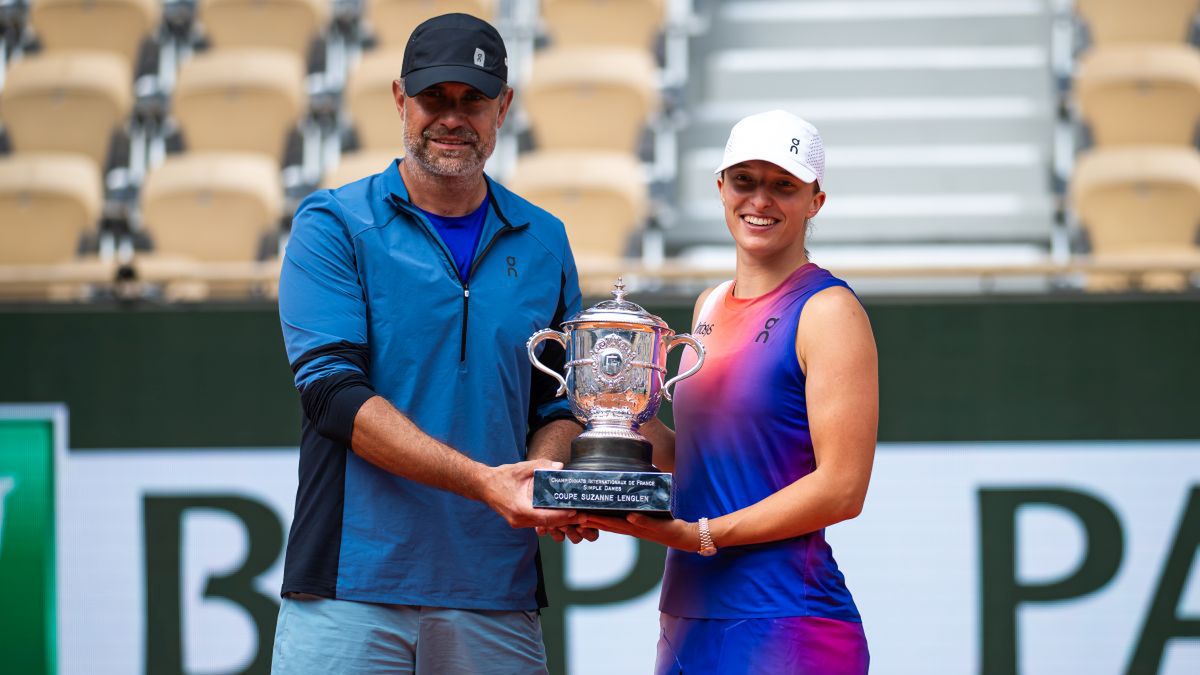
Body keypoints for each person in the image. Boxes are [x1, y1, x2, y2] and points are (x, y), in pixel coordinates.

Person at [271, 13, 593, 674]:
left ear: (502, 106)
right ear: (399, 99)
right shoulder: (332, 223)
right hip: (350, 587)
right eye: (433, 98)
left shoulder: (544, 239)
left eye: (472, 99)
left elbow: (558, 406)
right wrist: (486, 482)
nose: (452, 117)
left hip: (494, 589)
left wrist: (544, 475)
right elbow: (332, 395)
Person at [585, 110, 878, 674]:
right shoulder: (710, 305)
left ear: (815, 200)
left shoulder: (829, 311)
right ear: (720, 187)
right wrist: (618, 411)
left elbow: (843, 488)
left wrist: (703, 536)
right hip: (689, 615)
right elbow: (694, 459)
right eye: (745, 180)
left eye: (783, 185)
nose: (760, 201)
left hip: (787, 621)